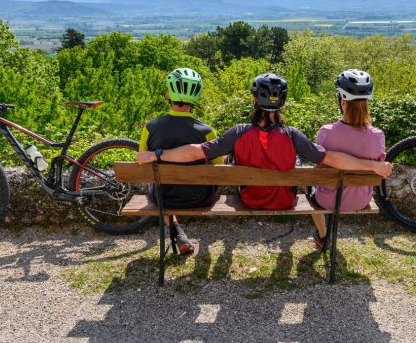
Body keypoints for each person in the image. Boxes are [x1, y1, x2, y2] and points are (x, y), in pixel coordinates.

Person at [137, 71, 392, 214]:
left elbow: (195, 152)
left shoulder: (238, 132)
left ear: (253, 101)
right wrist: (374, 167)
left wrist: (157, 154)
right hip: (284, 201)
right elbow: (333, 158)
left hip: (250, 199)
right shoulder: (293, 135)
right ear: (283, 102)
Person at [139, 67, 222, 255]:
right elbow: (219, 166)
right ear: (196, 96)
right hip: (201, 197)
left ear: (169, 93)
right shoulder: (207, 131)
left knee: (155, 184)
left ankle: (177, 231)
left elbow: (142, 160)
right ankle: (179, 233)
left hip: (163, 198)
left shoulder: (150, 127)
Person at [310, 69, 385, 250]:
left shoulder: (326, 132)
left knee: (311, 185)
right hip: (360, 200)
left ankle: (322, 235)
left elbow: (318, 167)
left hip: (326, 200)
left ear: (342, 101)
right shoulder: (378, 136)